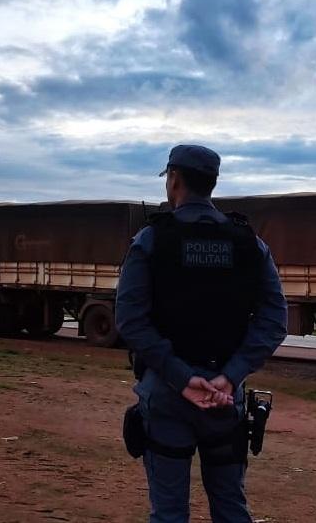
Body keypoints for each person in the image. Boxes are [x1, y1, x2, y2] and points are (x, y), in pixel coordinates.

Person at [116, 145, 287, 523]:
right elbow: (275, 320)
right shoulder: (249, 243)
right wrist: (230, 376)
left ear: (173, 180)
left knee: (169, 513)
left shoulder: (151, 239)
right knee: (230, 507)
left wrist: (182, 378)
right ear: (212, 184)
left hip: (166, 394)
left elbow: (129, 319)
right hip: (225, 399)